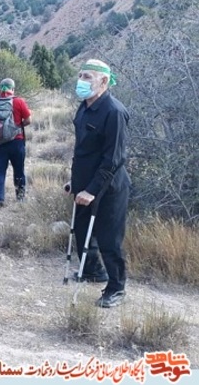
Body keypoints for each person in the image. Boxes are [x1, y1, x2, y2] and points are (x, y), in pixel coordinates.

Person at [65, 59, 130, 308]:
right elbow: (82, 150)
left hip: (109, 187)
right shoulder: (83, 107)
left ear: (103, 81)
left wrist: (92, 190)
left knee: (109, 239)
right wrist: (75, 181)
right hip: (83, 184)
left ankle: (116, 288)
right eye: (80, 76)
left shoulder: (114, 112)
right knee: (82, 233)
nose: (81, 82)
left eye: (87, 77)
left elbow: (113, 159)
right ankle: (92, 270)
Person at [0, 78, 32, 209]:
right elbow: (28, 120)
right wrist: (16, 127)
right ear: (13, 89)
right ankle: (20, 198)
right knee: (19, 170)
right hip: (17, 142)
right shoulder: (19, 101)